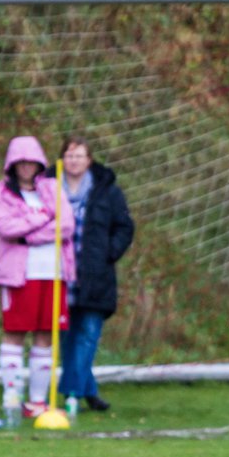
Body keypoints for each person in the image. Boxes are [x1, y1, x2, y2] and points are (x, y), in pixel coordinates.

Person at [0, 136, 75, 419]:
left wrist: (31, 234)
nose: (26, 167)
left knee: (45, 335)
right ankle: (12, 396)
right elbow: (7, 227)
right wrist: (42, 220)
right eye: (21, 162)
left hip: (53, 273)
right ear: (12, 164)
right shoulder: (0, 192)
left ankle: (37, 401)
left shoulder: (51, 188)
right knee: (15, 333)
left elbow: (67, 225)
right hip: (19, 276)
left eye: (31, 161)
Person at [56, 136, 134, 412]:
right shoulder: (50, 188)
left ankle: (72, 392)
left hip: (96, 277)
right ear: (62, 159)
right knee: (67, 337)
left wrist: (106, 254)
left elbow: (125, 227)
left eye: (79, 155)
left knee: (88, 334)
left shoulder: (107, 191)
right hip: (60, 277)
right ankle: (87, 391)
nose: (73, 160)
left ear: (89, 160)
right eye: (69, 155)